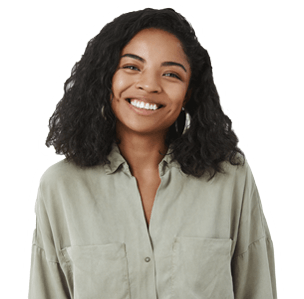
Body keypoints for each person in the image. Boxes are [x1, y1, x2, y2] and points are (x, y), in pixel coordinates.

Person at [28, 7, 277, 299]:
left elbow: (257, 290)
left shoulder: (229, 177)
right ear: (105, 77)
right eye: (132, 67)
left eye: (171, 73)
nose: (149, 85)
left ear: (189, 92)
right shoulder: (61, 186)